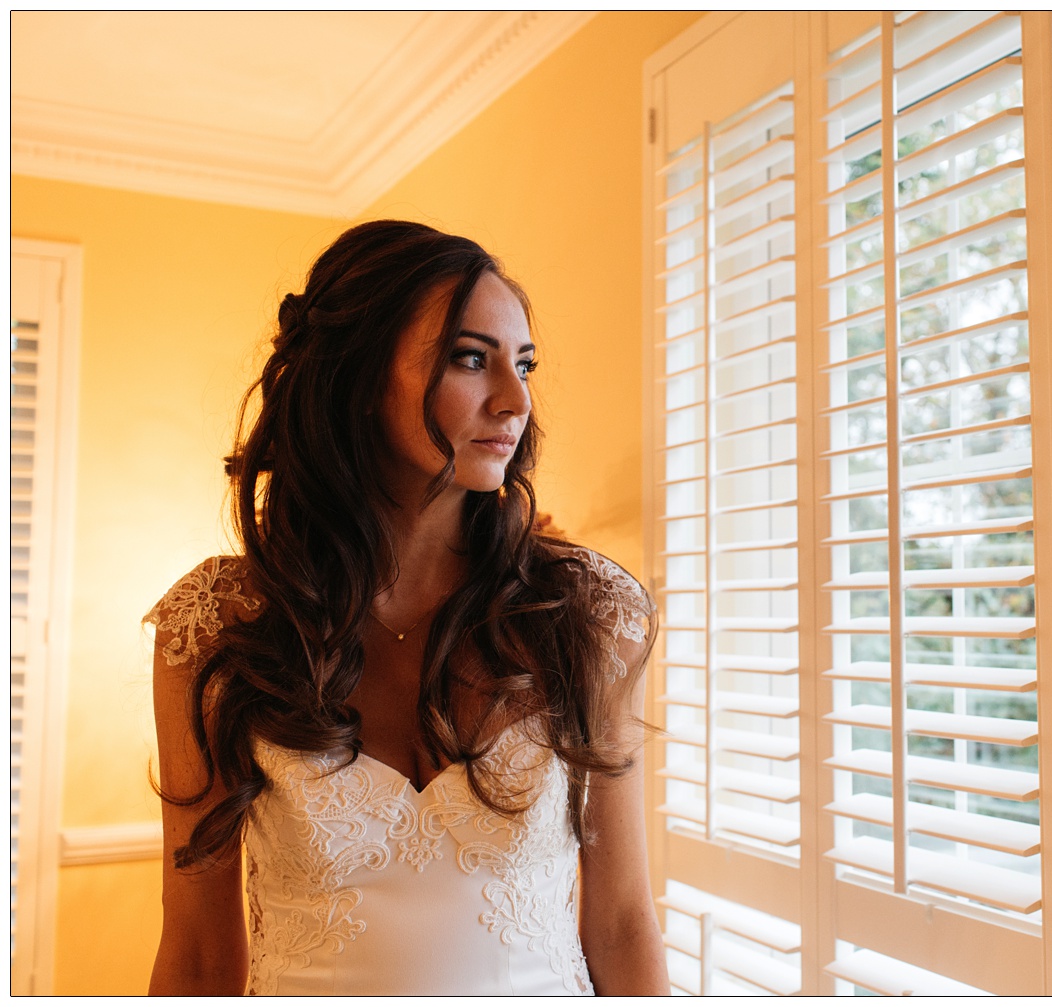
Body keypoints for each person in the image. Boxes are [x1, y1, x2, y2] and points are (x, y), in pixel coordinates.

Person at [145, 220, 669, 995]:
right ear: (357, 379)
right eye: (470, 358)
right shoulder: (220, 623)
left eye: (523, 364)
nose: (516, 399)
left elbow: (623, 922)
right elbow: (194, 948)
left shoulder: (584, 611)